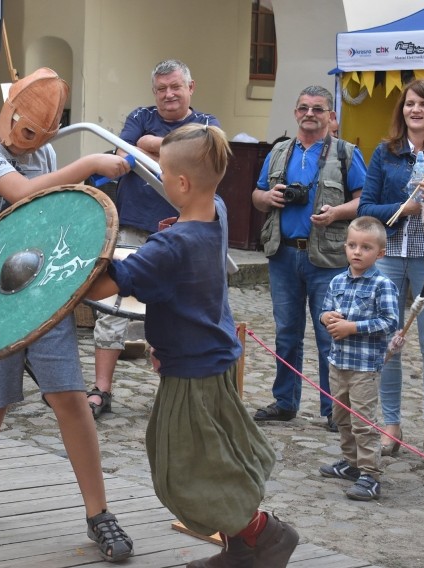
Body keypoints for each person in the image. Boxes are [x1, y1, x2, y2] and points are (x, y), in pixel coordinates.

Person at [87, 123, 299, 568]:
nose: (160, 179)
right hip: (214, 359)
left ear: (181, 183)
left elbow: (106, 284)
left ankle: (262, 535)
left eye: (164, 173)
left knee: (188, 470)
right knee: (213, 455)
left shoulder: (170, 246)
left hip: (193, 372)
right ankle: (241, 547)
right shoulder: (216, 211)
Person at [0, 67, 134, 562]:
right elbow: (22, 195)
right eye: (27, 134)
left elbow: (50, 213)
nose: (32, 148)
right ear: (9, 112)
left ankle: (100, 515)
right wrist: (92, 163)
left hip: (40, 292)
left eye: (41, 140)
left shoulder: (44, 151)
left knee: (72, 399)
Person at [89, 59, 220, 418]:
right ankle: (102, 390)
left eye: (175, 87)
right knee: (112, 308)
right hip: (131, 223)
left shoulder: (208, 124)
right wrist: (166, 149)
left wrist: (148, 144)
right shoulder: (140, 116)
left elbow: (207, 162)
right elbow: (121, 158)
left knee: (173, 310)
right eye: (161, 89)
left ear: (190, 88)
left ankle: (171, 393)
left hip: (182, 229)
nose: (168, 94)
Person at [251, 85, 367, 432]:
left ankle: (333, 409)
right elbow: (256, 195)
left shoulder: (346, 153)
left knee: (327, 334)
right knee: (286, 333)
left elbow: (364, 201)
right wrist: (267, 197)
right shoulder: (279, 152)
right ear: (295, 112)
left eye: (318, 109)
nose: (310, 114)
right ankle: (285, 402)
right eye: (303, 108)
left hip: (327, 259)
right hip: (283, 253)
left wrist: (336, 213)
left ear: (331, 116)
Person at [356, 78, 424, 466]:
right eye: (410, 103)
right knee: (389, 341)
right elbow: (367, 207)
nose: (415, 110)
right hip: (391, 254)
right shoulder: (386, 153)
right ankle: (391, 427)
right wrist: (406, 208)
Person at [318, 216, 398, 501]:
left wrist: (353, 327)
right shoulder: (338, 280)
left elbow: (389, 321)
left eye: (365, 247)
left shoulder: (382, 284)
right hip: (338, 363)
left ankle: (370, 475)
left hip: (364, 367)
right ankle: (351, 464)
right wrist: (326, 317)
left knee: (363, 422)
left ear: (380, 253)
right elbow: (324, 311)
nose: (356, 251)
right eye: (352, 245)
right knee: (340, 417)